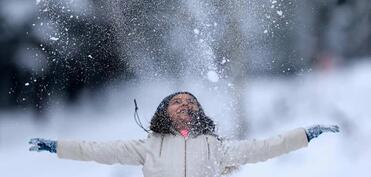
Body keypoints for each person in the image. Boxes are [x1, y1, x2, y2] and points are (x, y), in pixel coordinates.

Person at [29, 91, 339, 177]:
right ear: (164, 112)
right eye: (177, 101)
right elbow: (94, 149)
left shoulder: (215, 147)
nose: (185, 104)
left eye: (191, 102)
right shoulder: (148, 146)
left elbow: (264, 148)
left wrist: (304, 135)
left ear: (199, 113)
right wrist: (57, 146)